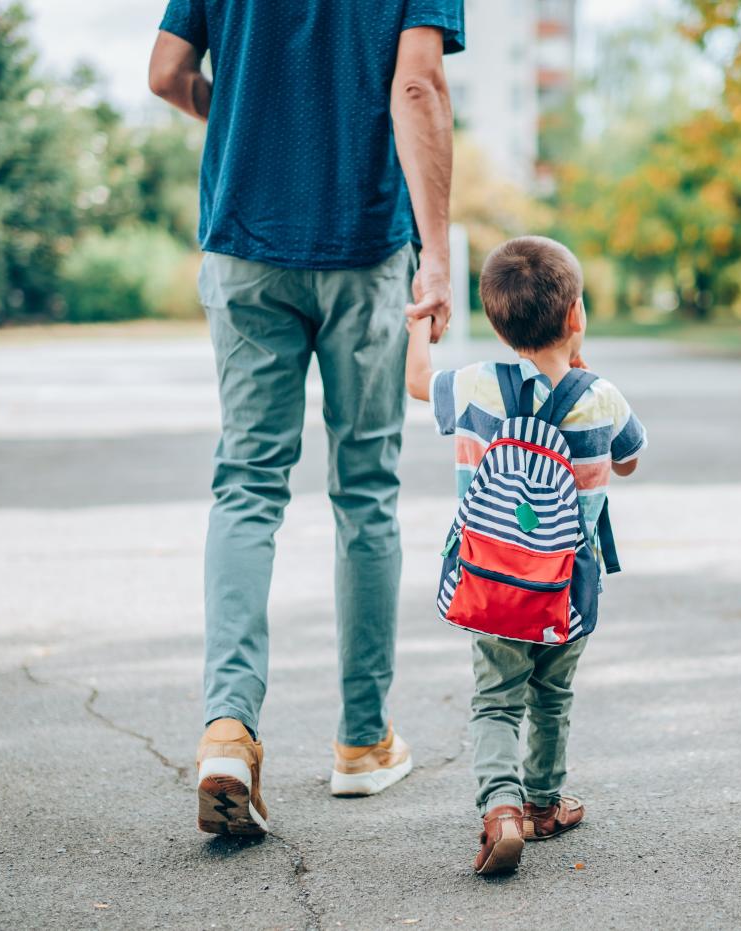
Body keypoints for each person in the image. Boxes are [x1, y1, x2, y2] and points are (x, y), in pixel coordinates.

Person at [148, 0, 464, 836]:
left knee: (248, 485)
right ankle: (362, 741)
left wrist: (248, 118)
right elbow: (420, 87)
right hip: (363, 247)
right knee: (364, 490)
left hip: (245, 240)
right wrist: (437, 254)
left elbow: (167, 74)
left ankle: (228, 727)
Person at [404, 236, 647, 874]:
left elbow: (415, 383)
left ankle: (500, 810)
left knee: (495, 699)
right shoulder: (602, 398)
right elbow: (627, 460)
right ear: (576, 317)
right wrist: (581, 369)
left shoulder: (476, 387)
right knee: (551, 694)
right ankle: (543, 804)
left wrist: (421, 324)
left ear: (496, 321)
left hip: (490, 586)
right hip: (566, 588)